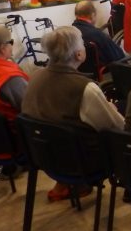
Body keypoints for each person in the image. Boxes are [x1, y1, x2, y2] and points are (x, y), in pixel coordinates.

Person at [23, 26, 124, 202]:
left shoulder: (35, 77)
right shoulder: (85, 88)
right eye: (83, 44)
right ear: (79, 54)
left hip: (43, 156)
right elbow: (117, 127)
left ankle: (65, 185)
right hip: (82, 163)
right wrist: (111, 109)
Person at [72, 0, 125, 71]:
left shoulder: (69, 33)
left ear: (76, 15)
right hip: (101, 72)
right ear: (92, 15)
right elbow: (119, 57)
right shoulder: (98, 35)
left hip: (77, 72)